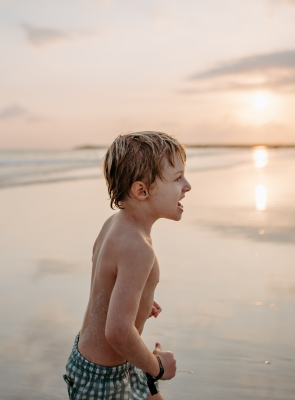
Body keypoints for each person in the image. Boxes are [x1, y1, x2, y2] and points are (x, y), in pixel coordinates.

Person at [63, 131, 192, 400]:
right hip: (105, 377)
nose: (187, 186)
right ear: (141, 190)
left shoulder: (113, 225)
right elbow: (118, 332)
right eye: (178, 178)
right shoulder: (138, 248)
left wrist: (138, 298)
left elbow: (105, 281)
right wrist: (157, 368)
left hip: (93, 359)